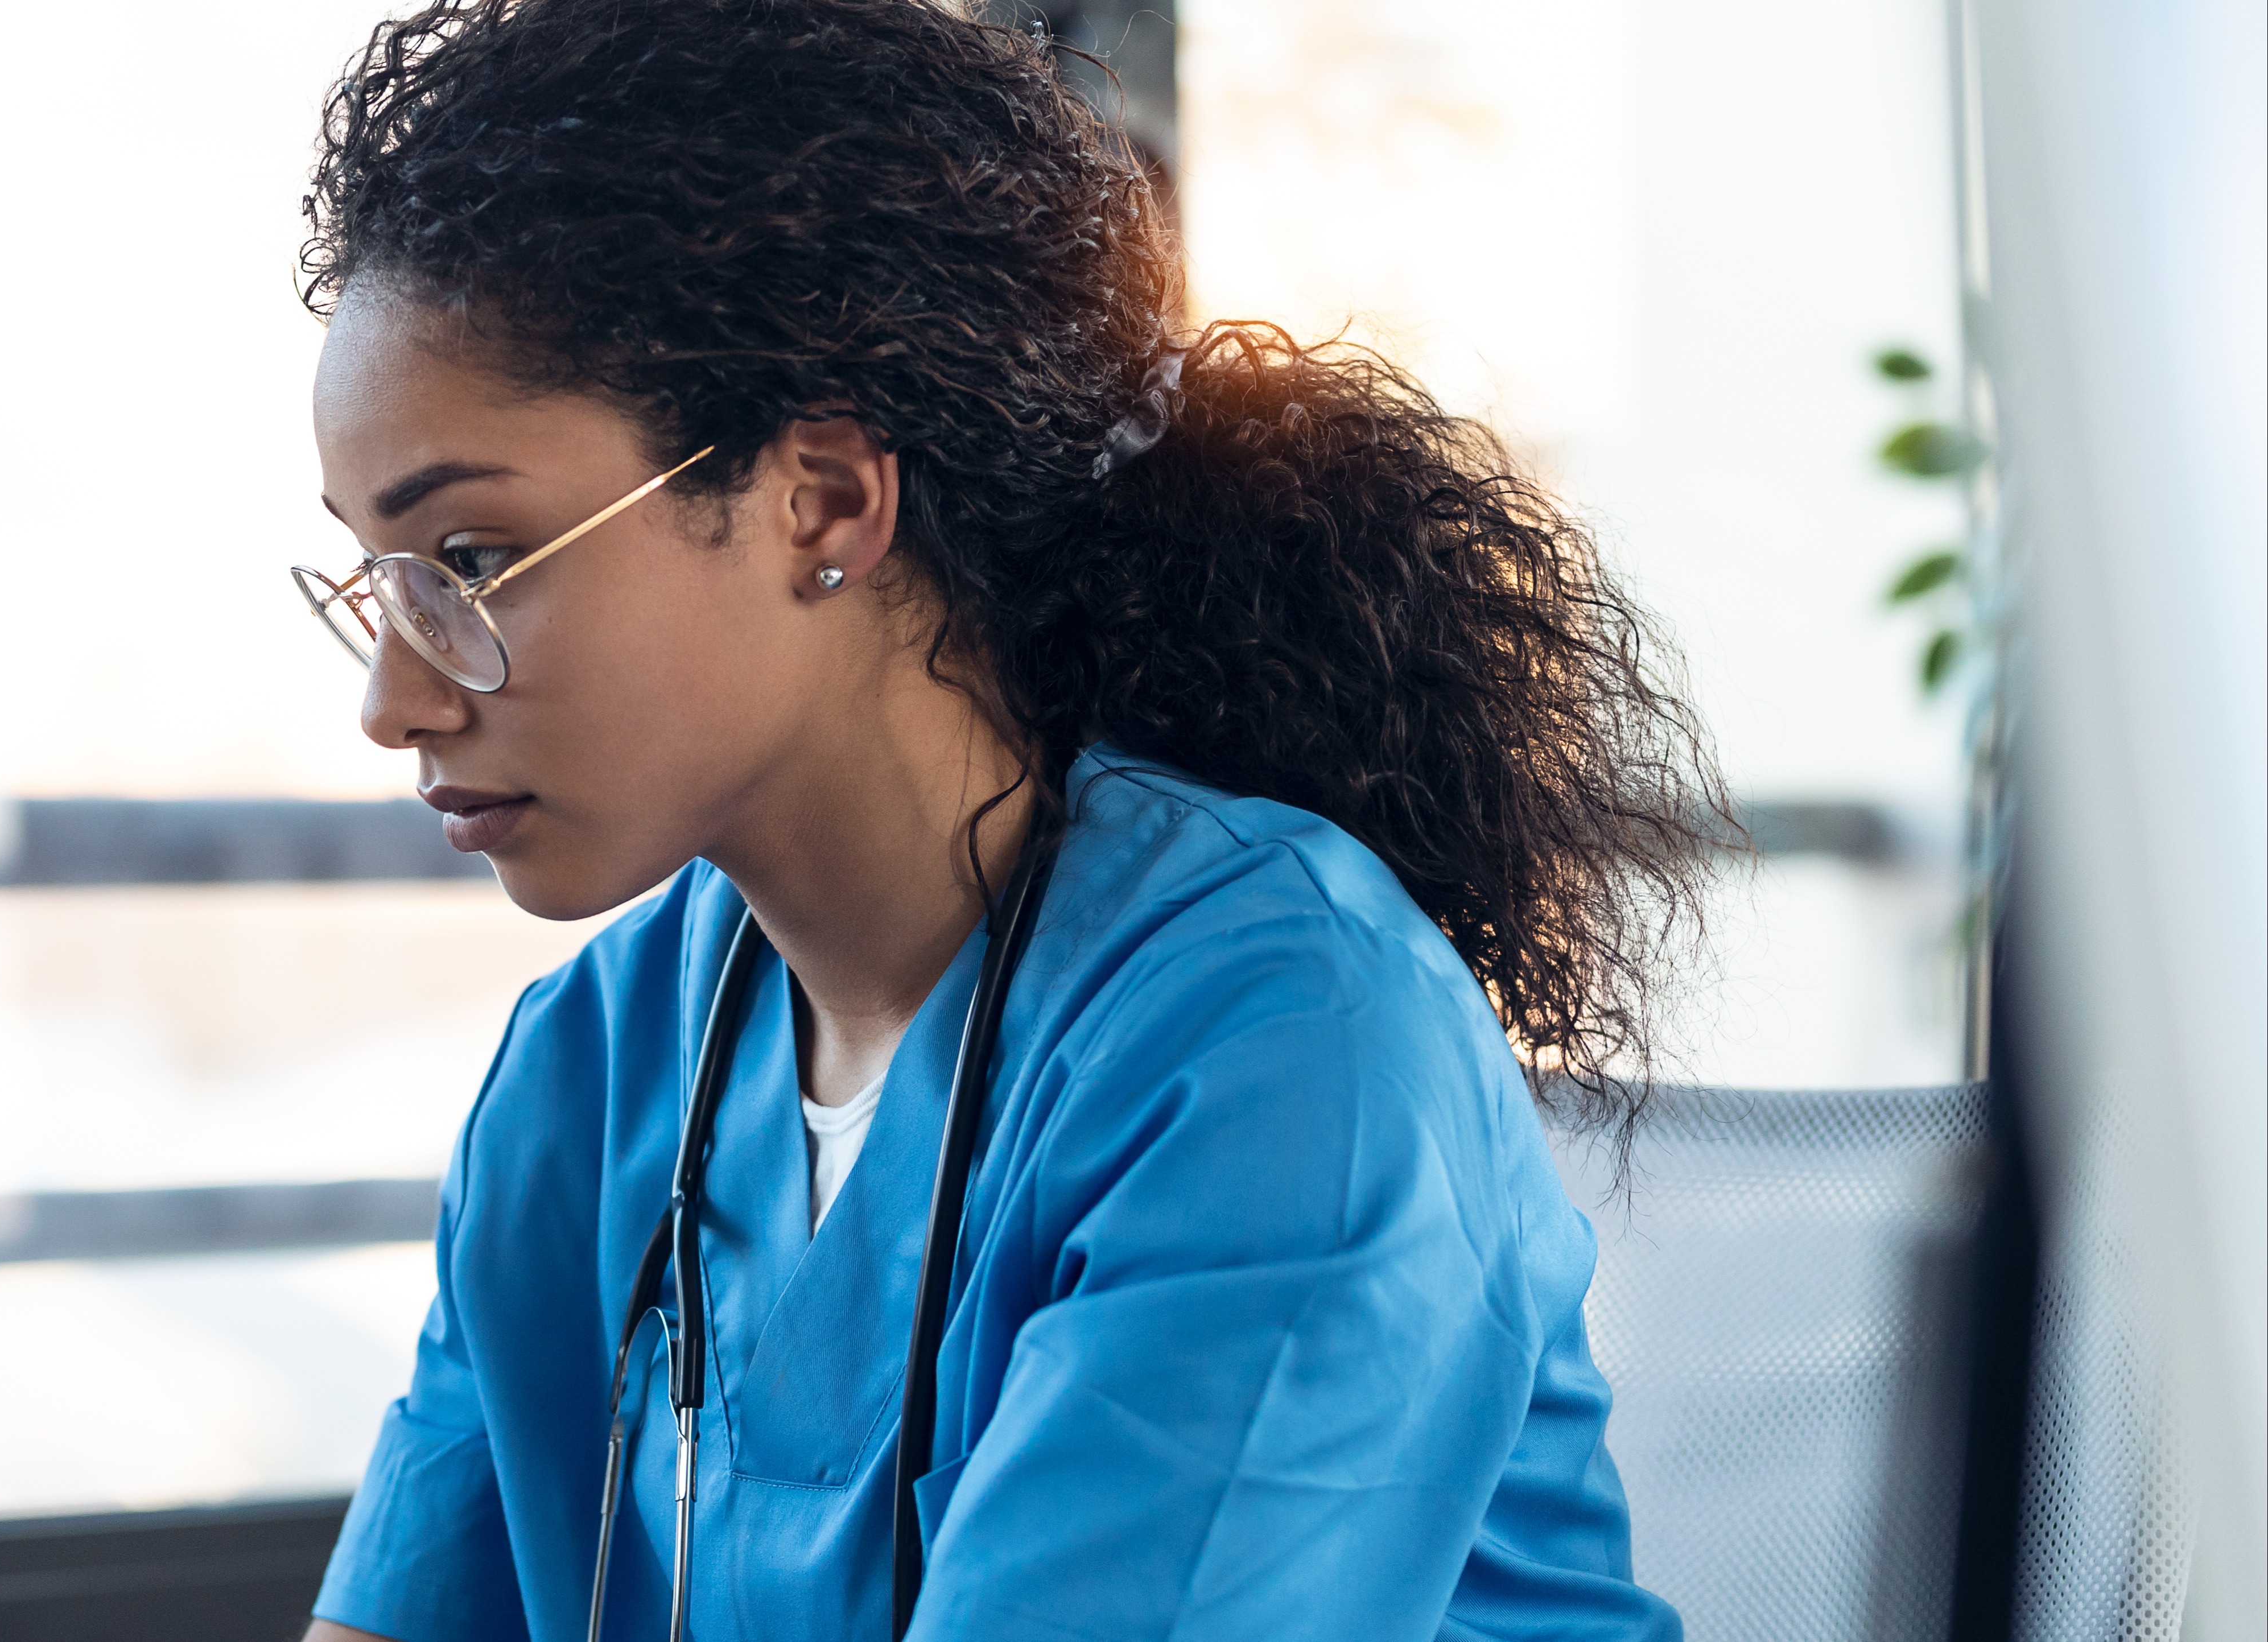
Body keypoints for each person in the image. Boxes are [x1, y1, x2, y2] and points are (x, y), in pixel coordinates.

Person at [283, 2, 1716, 1637]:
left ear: (822, 499)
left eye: (469, 564)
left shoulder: (1287, 1044)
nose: (394, 699)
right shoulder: (591, 1072)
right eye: (374, 583)